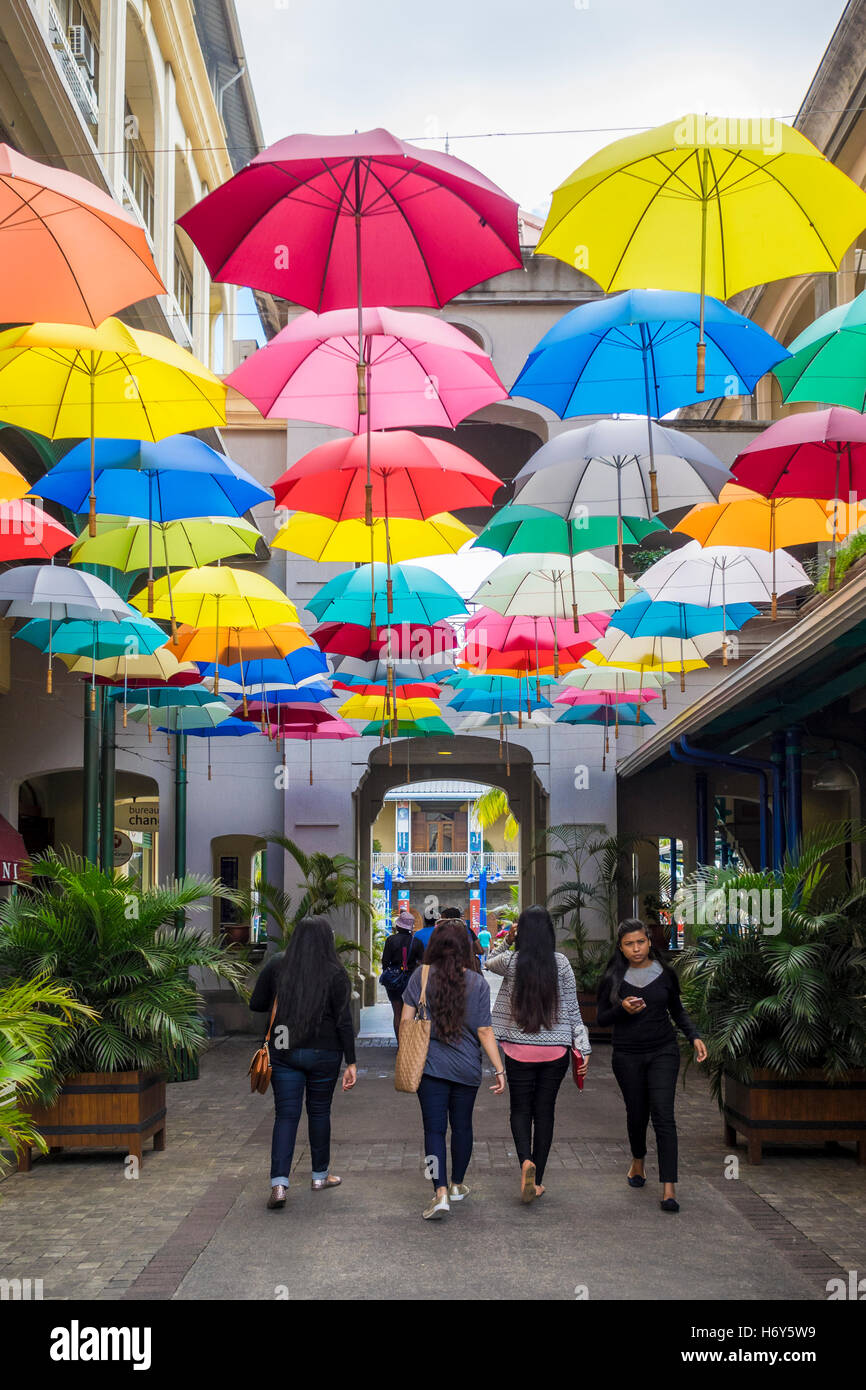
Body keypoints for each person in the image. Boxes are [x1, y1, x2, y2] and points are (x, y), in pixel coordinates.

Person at [596, 918, 708, 1214]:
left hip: (663, 1051)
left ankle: (669, 1188)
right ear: (620, 947)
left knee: (664, 1115)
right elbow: (601, 1018)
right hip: (627, 1054)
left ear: (649, 941)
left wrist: (694, 1036)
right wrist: (622, 1008)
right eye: (629, 944)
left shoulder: (665, 973)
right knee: (636, 1113)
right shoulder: (613, 976)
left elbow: (678, 1011)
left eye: (641, 942)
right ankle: (638, 1160)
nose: (636, 949)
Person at [249, 915, 357, 1210]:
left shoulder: (278, 964)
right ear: (327, 940)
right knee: (320, 1113)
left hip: (284, 1050)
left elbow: (256, 1003)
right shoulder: (335, 971)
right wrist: (351, 1061)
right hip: (325, 1052)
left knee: (286, 1115)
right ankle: (320, 1176)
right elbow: (344, 1020)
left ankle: (280, 1184)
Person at [401, 920, 505, 1220]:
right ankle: (458, 1184)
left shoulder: (420, 978)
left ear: (434, 946)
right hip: (467, 1070)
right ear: (466, 948)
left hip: (429, 1069)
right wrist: (499, 1069)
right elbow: (485, 1030)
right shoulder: (478, 983)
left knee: (433, 1130)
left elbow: (405, 1023)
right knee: (463, 1127)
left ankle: (440, 1191)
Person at [486, 905, 590, 1202]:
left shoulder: (513, 961)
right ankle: (538, 1178)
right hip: (554, 1052)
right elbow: (573, 1010)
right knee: (544, 1113)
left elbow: (487, 961)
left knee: (520, 1110)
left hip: (519, 1051)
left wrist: (507, 938)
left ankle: (525, 1161)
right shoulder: (562, 964)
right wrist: (583, 1047)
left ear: (523, 932)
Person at [380, 909, 424, 1040]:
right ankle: (408, 1041)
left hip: (394, 980)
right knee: (411, 1012)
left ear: (398, 925)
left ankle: (400, 1044)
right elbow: (423, 963)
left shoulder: (390, 940)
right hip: (411, 980)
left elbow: (385, 962)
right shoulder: (416, 942)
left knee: (397, 1012)